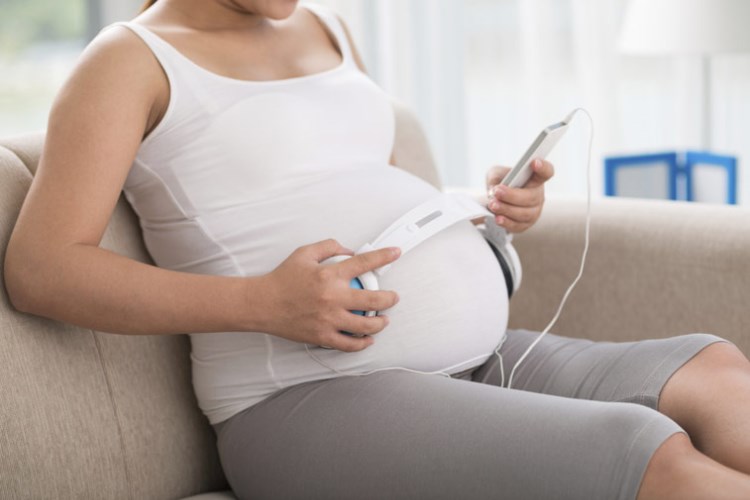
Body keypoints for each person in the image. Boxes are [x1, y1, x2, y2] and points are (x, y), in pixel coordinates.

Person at [4, 0, 750, 498]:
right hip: (302, 403)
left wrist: (486, 211)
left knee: (712, 367)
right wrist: (257, 301)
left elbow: (364, 189)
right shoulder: (128, 61)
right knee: (645, 451)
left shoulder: (323, 26)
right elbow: (41, 268)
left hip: (474, 363)